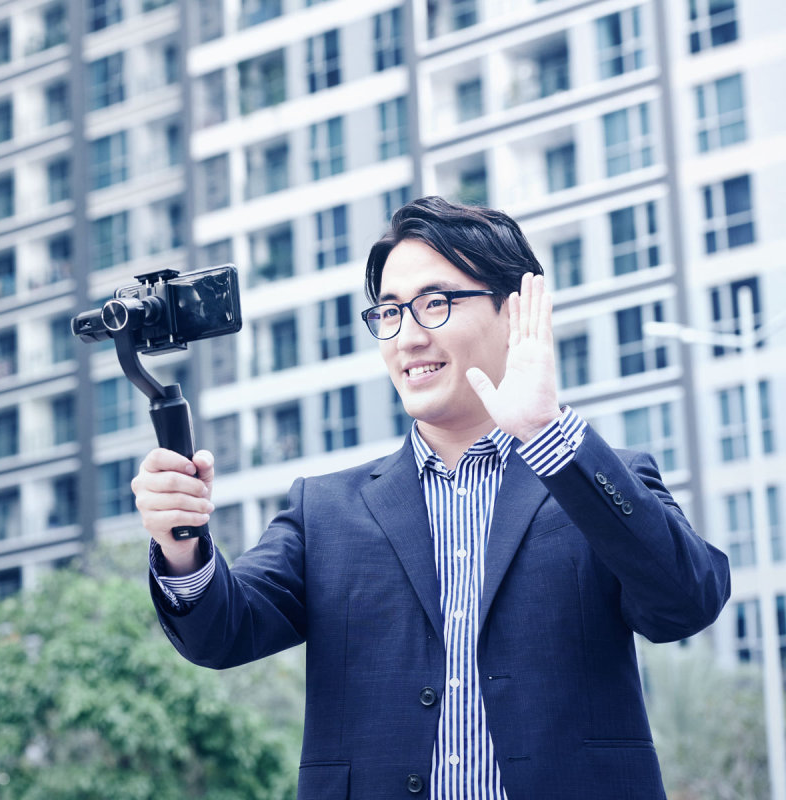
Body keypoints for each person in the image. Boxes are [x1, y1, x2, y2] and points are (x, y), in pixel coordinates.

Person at [131, 196, 730, 800]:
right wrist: (180, 542)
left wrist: (551, 437)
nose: (408, 336)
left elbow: (687, 602)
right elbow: (223, 632)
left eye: (435, 304)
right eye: (389, 313)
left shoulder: (596, 479)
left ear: (512, 311)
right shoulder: (326, 511)